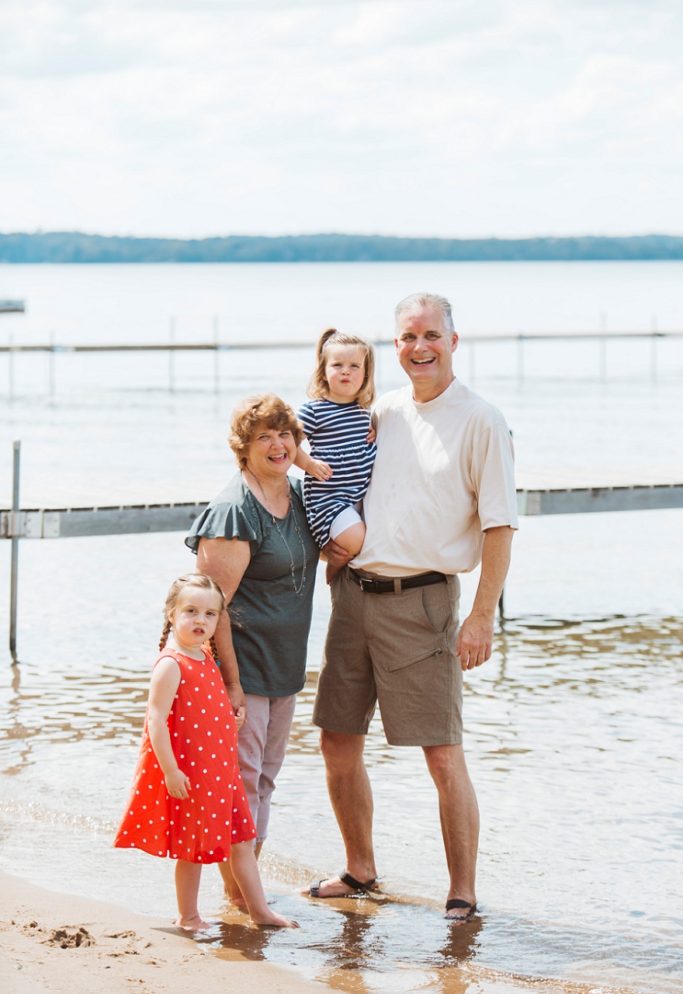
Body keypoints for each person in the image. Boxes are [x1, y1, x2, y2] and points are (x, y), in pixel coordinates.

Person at [308, 293, 518, 922]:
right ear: (393, 347)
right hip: (353, 597)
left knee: (441, 751)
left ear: (454, 340)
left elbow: (500, 526)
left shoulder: (482, 419)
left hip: (425, 603)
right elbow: (332, 473)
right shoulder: (382, 411)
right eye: (406, 337)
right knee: (336, 739)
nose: (418, 347)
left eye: (430, 335)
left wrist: (481, 617)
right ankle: (360, 870)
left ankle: (462, 893)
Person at [185, 395, 320, 906]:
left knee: (265, 778)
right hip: (242, 671)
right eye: (264, 436)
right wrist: (232, 683)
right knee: (241, 784)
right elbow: (208, 607)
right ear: (243, 449)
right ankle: (240, 894)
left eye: (285, 434)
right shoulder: (234, 511)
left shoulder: (300, 496)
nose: (278, 444)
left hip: (283, 668)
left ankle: (245, 889)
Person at [114, 573, 295, 930]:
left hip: (221, 774)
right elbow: (156, 721)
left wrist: (231, 719)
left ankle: (261, 912)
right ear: (172, 614)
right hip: (193, 775)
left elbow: (203, 710)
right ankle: (189, 916)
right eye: (191, 611)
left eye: (210, 614)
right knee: (192, 850)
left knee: (242, 840)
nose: (201, 620)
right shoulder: (171, 664)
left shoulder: (204, 656)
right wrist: (170, 771)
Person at [294, 328, 377, 581]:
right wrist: (307, 463)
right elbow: (287, 445)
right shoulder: (315, 410)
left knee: (370, 539)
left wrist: (375, 435)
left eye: (354, 366)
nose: (345, 371)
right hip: (328, 499)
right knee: (354, 541)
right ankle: (332, 578)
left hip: (357, 496)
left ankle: (347, 577)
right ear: (323, 371)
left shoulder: (364, 411)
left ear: (365, 374)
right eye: (337, 364)